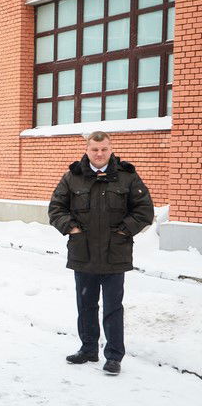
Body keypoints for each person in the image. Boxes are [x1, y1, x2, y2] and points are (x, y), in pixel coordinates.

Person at [48, 131, 154, 376]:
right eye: (95, 149)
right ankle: (88, 349)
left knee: (113, 308)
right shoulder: (72, 178)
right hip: (82, 253)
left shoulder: (127, 177)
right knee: (85, 304)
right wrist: (71, 228)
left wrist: (124, 231)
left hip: (114, 255)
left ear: (111, 149)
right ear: (87, 149)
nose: (99, 154)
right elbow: (56, 208)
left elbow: (144, 210)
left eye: (104, 149)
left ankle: (114, 356)